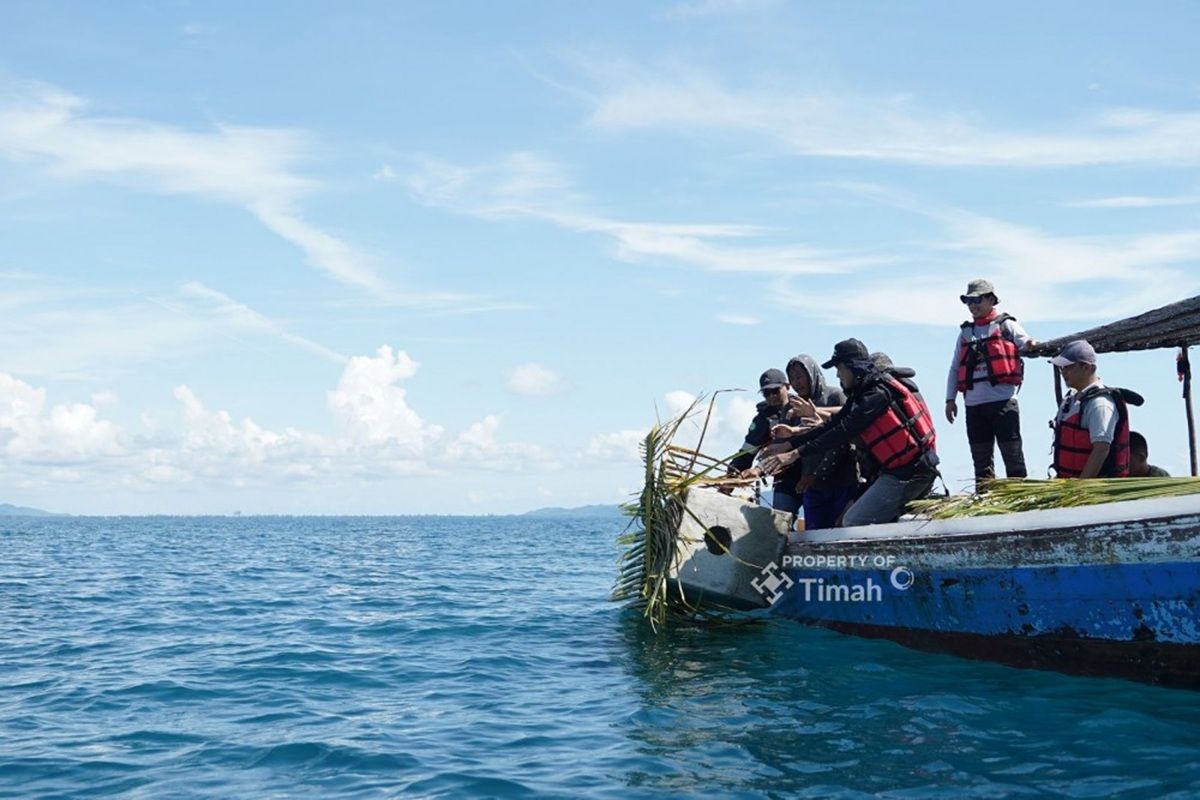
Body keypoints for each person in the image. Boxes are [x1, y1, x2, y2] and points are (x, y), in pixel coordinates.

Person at [785, 339, 939, 526]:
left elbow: (841, 432)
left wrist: (795, 454)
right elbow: (833, 423)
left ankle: (888, 555)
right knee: (847, 517)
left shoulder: (877, 396)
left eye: (840, 369)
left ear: (853, 367)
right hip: (892, 473)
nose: (838, 375)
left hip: (910, 474)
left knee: (853, 521)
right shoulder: (861, 394)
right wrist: (789, 445)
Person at [944, 279, 1037, 489]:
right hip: (974, 406)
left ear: (990, 300)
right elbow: (954, 367)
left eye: (976, 299)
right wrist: (950, 400)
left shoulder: (1006, 325)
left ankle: (1019, 497)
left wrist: (1031, 344)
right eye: (968, 301)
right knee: (981, 463)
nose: (972, 305)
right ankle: (985, 501)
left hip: (1003, 402)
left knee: (1012, 456)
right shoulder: (965, 333)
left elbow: (1026, 342)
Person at [758, 355, 857, 529]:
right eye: (792, 378)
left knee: (841, 533)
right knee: (814, 538)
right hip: (812, 486)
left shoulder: (835, 396)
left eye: (800, 376)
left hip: (842, 481)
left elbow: (839, 440)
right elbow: (790, 440)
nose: (797, 382)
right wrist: (760, 467)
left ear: (812, 374)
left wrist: (816, 474)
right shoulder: (793, 406)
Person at [1050, 340, 1143, 479]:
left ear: (1086, 368)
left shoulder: (1100, 404)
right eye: (1061, 368)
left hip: (1094, 490)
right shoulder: (1071, 400)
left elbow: (1101, 449)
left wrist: (1080, 488)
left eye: (1068, 367)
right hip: (1068, 483)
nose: (1063, 372)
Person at [727, 368, 803, 513]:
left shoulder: (803, 407)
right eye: (766, 393)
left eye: (775, 391)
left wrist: (760, 470)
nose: (771, 396)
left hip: (811, 474)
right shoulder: (763, 418)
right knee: (782, 523)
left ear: (787, 387)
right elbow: (747, 451)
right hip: (785, 480)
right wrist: (731, 476)